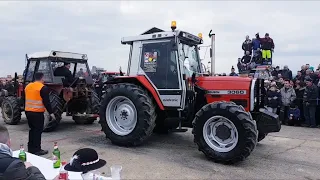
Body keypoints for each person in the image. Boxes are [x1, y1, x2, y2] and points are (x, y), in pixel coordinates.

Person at [25, 72, 55, 155]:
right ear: (42, 78)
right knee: (38, 131)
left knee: (32, 130)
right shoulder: (42, 88)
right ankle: (37, 149)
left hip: (28, 111)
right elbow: (46, 102)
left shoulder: (28, 86)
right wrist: (51, 113)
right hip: (37, 113)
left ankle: (31, 148)